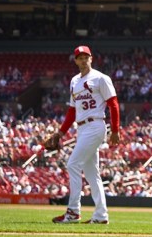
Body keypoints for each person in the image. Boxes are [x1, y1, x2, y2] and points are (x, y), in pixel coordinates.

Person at [50, 45, 120, 224]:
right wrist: (60, 133)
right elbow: (72, 111)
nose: (83, 59)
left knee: (72, 164)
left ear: (91, 58)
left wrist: (115, 130)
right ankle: (101, 215)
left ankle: (73, 211)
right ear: (75, 61)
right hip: (81, 129)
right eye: (79, 57)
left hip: (95, 125)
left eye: (85, 56)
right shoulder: (74, 81)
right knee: (92, 174)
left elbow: (113, 104)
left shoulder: (101, 78)